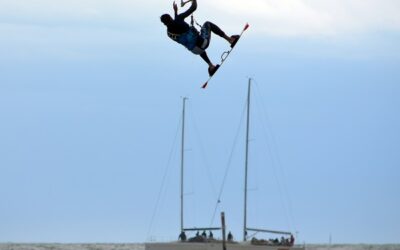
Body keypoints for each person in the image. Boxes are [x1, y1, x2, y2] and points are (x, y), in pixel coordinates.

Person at [160, 0, 239, 76]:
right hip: (202, 43)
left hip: (195, 51)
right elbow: (194, 7)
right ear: (170, 18)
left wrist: (175, 12)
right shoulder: (178, 19)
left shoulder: (169, 34)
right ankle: (230, 40)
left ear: (164, 24)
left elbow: (174, 26)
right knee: (208, 24)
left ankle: (211, 66)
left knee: (194, 44)